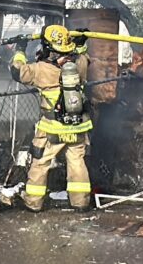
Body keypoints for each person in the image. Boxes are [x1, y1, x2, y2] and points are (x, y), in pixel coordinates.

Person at [9, 24, 93, 211]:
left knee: (41, 163)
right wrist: (81, 44)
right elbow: (85, 58)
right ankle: (80, 203)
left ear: (47, 47)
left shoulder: (40, 70)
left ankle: (33, 203)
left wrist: (20, 50)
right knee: (77, 162)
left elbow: (17, 71)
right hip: (78, 126)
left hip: (52, 128)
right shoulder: (79, 64)